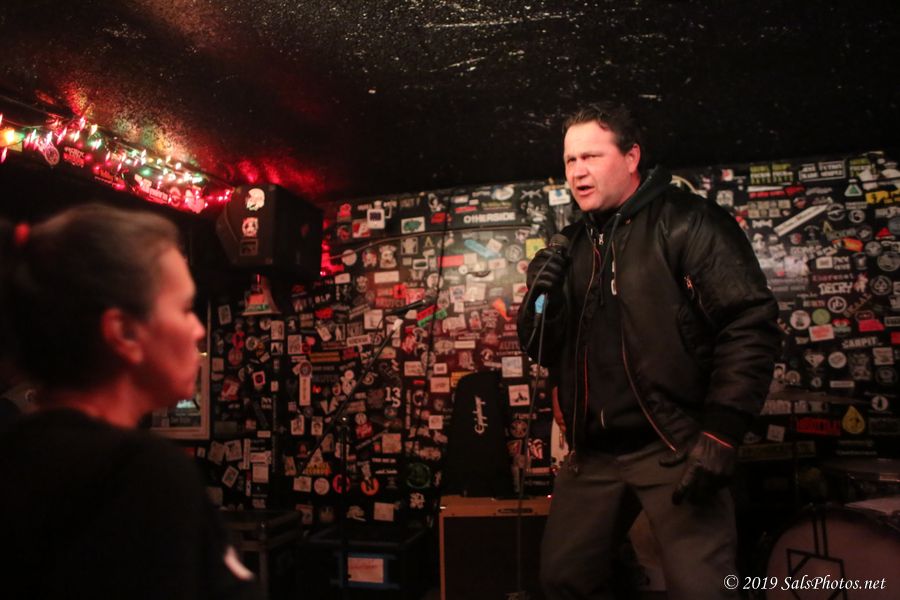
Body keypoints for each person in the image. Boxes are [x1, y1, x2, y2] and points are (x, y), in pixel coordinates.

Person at [517, 103, 780, 599]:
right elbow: (541, 348)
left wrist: (722, 430)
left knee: (705, 590)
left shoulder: (687, 221)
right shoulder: (568, 246)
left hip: (673, 443)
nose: (577, 171)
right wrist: (540, 298)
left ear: (631, 157)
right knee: (563, 580)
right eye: (570, 160)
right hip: (594, 453)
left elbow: (749, 321)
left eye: (591, 156)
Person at [0, 204, 260, 600]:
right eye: (185, 309)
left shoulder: (16, 456)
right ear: (123, 332)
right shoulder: (140, 473)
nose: (197, 330)